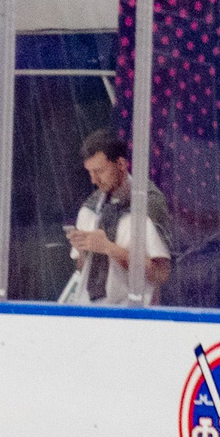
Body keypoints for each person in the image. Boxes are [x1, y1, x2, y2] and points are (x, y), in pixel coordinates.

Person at [60, 129, 170, 305]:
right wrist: (82, 248)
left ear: (121, 164)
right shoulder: (89, 208)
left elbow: (160, 274)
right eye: (90, 172)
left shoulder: (148, 204)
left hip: (129, 314)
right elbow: (82, 269)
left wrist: (109, 248)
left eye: (100, 171)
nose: (94, 180)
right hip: (88, 312)